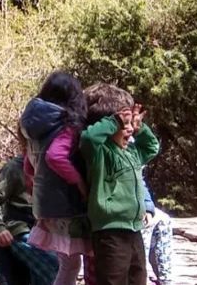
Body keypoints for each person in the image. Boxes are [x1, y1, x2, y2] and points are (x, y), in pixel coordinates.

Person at [80, 84, 160, 285]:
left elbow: (152, 147)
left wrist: (140, 128)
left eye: (131, 124)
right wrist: (114, 121)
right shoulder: (100, 153)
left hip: (134, 229)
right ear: (110, 126)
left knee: (138, 279)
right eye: (125, 125)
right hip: (109, 232)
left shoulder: (132, 153)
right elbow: (88, 138)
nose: (130, 129)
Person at [21, 72, 94, 285]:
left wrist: (37, 186)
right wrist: (79, 182)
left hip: (45, 204)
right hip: (65, 205)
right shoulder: (67, 124)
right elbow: (55, 156)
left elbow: (28, 164)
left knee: (68, 263)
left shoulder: (33, 126)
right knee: (72, 264)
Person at [0, 130, 62, 285]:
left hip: (47, 234)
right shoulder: (14, 168)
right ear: (25, 145)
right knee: (56, 267)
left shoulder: (53, 167)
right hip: (20, 233)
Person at [140, 178, 174, 285]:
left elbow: (140, 182)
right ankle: (143, 277)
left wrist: (148, 208)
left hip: (139, 206)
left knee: (163, 220)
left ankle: (165, 279)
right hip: (120, 211)